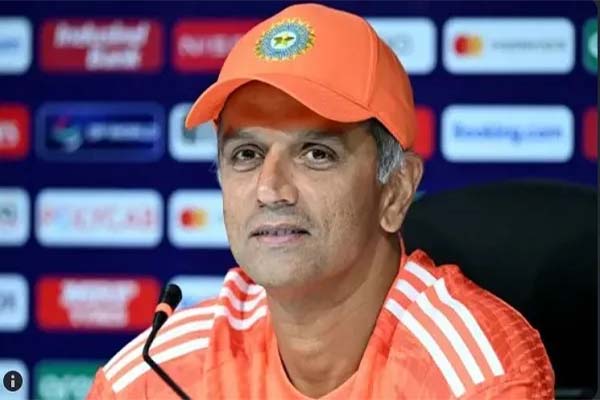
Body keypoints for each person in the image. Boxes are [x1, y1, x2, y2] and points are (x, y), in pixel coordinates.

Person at [87, 3, 554, 399]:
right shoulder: (153, 379)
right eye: (247, 155)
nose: (271, 189)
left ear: (395, 191)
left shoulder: (477, 381)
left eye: (316, 154)